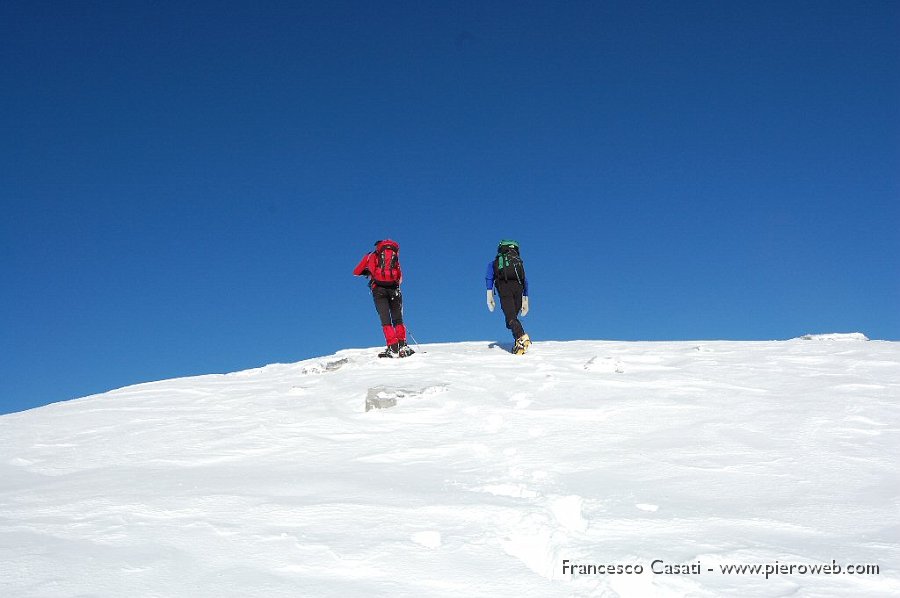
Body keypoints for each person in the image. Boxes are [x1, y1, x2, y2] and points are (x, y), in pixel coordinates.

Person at [353, 239, 414, 358]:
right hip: (394, 289)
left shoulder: (370, 256)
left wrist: (368, 272)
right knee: (398, 318)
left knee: (385, 319)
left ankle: (392, 347)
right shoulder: (394, 256)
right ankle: (403, 345)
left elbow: (356, 272)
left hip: (378, 290)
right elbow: (400, 277)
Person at [485, 239, 531, 354]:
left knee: (510, 318)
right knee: (512, 318)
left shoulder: (495, 262)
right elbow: (525, 280)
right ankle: (518, 343)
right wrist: (525, 299)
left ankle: (521, 336)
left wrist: (489, 295)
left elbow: (489, 277)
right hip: (519, 289)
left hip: (505, 287)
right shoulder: (518, 262)